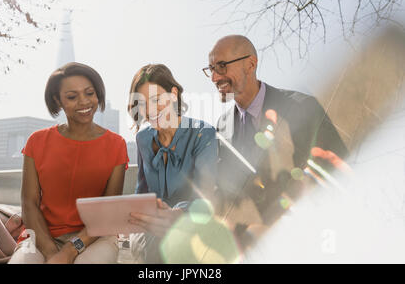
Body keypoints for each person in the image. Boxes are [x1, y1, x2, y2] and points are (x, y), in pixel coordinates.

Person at [204, 35, 349, 247]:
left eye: (222, 66)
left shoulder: (303, 108)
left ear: (250, 64)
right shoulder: (222, 126)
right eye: (211, 69)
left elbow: (339, 174)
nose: (214, 78)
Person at [8, 62, 129, 264]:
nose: (84, 102)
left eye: (89, 93)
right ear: (58, 100)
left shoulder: (117, 145)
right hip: (40, 236)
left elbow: (108, 211)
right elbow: (29, 203)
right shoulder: (36, 141)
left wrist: (70, 251)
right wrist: (50, 252)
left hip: (95, 237)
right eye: (72, 97)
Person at [126, 64, 218, 263]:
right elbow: (141, 191)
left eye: (156, 100)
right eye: (142, 103)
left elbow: (206, 194)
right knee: (150, 240)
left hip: (189, 221)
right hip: (151, 224)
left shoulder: (202, 133)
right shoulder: (143, 139)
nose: (149, 110)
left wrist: (177, 214)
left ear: (173, 94)